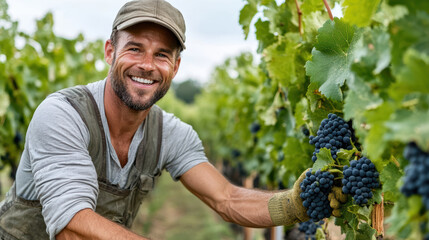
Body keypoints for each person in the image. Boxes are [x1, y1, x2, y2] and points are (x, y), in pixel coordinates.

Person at [0, 0, 343, 239]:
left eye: (162, 54)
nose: (147, 65)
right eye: (135, 48)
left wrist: (295, 204)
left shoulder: (171, 134)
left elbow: (226, 199)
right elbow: (72, 227)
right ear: (110, 51)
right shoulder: (62, 116)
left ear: (176, 67)